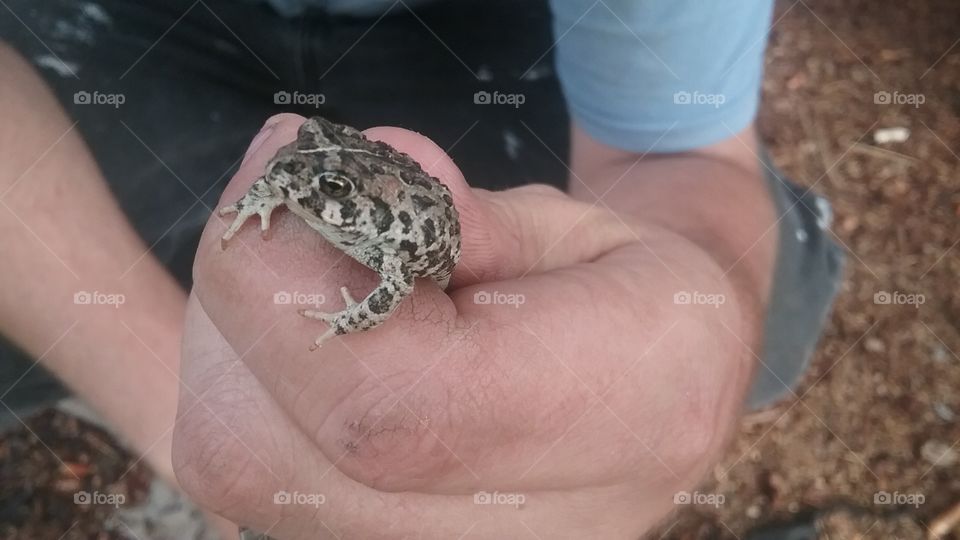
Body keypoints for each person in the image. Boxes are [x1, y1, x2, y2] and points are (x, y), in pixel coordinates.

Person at [0, 0, 843, 537]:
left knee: (771, 317)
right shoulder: (305, 175)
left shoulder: (381, 234)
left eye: (322, 189)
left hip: (486, 39)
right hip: (120, 33)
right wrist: (175, 406)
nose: (290, 182)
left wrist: (693, 332)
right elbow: (296, 169)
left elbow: (677, 155)